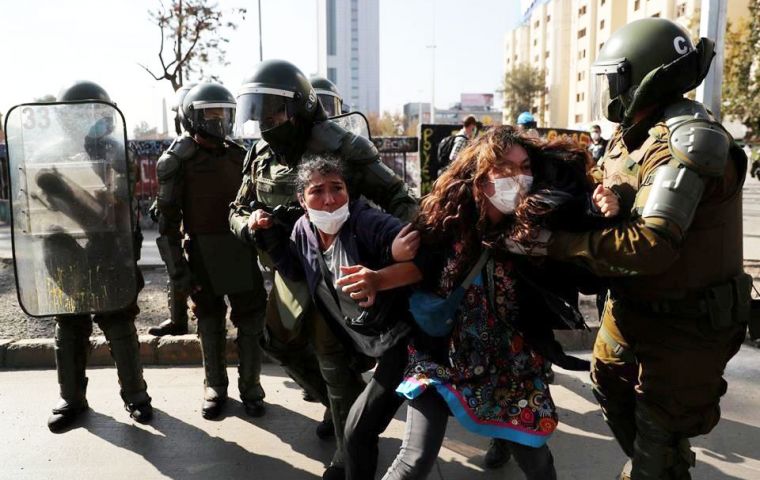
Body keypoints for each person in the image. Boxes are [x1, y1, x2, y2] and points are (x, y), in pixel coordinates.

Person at [531, 18, 749, 479]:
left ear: (642, 77)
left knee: (659, 434)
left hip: (684, 323)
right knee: (608, 385)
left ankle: (660, 466)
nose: (609, 91)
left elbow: (651, 244)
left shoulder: (688, 139)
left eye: (614, 78)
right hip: (632, 305)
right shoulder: (638, 134)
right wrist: (608, 205)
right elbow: (633, 204)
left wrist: (555, 244)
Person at [380, 126, 617, 480]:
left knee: (537, 463)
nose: (518, 178)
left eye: (524, 167)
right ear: (480, 178)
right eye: (505, 168)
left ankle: (502, 440)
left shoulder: (538, 232)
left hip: (511, 365)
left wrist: (605, 221)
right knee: (414, 459)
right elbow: (413, 267)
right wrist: (384, 264)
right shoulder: (447, 223)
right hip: (441, 357)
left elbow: (589, 277)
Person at [229, 59, 417, 479]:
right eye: (258, 109)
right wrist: (250, 225)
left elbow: (396, 195)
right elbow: (237, 208)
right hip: (289, 266)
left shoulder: (342, 146)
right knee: (276, 343)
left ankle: (349, 449)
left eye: (274, 110)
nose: (265, 120)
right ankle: (343, 408)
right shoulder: (259, 154)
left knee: (332, 359)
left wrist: (405, 246)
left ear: (299, 108)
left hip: (337, 267)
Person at [255, 156, 419, 480]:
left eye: (337, 188)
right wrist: (269, 235)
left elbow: (416, 252)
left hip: (400, 345)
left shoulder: (365, 222)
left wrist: (383, 273)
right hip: (361, 340)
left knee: (362, 434)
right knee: (360, 430)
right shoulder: (304, 229)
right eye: (317, 191)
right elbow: (294, 268)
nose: (329, 200)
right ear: (302, 200)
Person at [153, 82, 268, 419]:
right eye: (210, 114)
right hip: (201, 253)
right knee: (209, 321)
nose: (218, 120)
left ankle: (251, 387)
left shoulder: (239, 156)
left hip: (240, 247)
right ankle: (215, 385)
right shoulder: (176, 160)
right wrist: (179, 273)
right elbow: (167, 226)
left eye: (223, 113)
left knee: (251, 322)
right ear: (193, 117)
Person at [43, 81, 153, 432]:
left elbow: (121, 202)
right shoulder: (49, 152)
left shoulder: (119, 153)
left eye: (95, 114)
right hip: (66, 248)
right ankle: (71, 398)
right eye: (82, 116)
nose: (90, 122)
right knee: (69, 325)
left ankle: (136, 396)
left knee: (119, 323)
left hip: (110, 251)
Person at [148, 82, 196, 337]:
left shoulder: (210, 146)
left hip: (204, 217)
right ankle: (178, 319)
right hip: (184, 217)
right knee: (174, 266)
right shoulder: (180, 147)